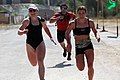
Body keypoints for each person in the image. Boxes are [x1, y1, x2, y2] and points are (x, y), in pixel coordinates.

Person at [18, 4, 55, 80]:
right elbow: (19, 31)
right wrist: (22, 32)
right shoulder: (27, 21)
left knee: (40, 61)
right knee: (34, 63)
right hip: (30, 44)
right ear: (29, 12)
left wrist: (51, 37)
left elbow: (46, 28)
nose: (32, 12)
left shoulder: (41, 20)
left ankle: (42, 79)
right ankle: (35, 54)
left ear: (37, 11)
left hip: (40, 42)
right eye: (30, 10)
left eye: (34, 10)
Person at [65, 6, 100, 80]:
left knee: (90, 65)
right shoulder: (73, 23)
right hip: (78, 46)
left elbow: (95, 31)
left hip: (88, 45)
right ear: (77, 13)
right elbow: (67, 33)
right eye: (79, 13)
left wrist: (97, 36)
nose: (81, 14)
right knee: (80, 68)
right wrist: (68, 43)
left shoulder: (90, 22)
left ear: (85, 13)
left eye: (83, 13)